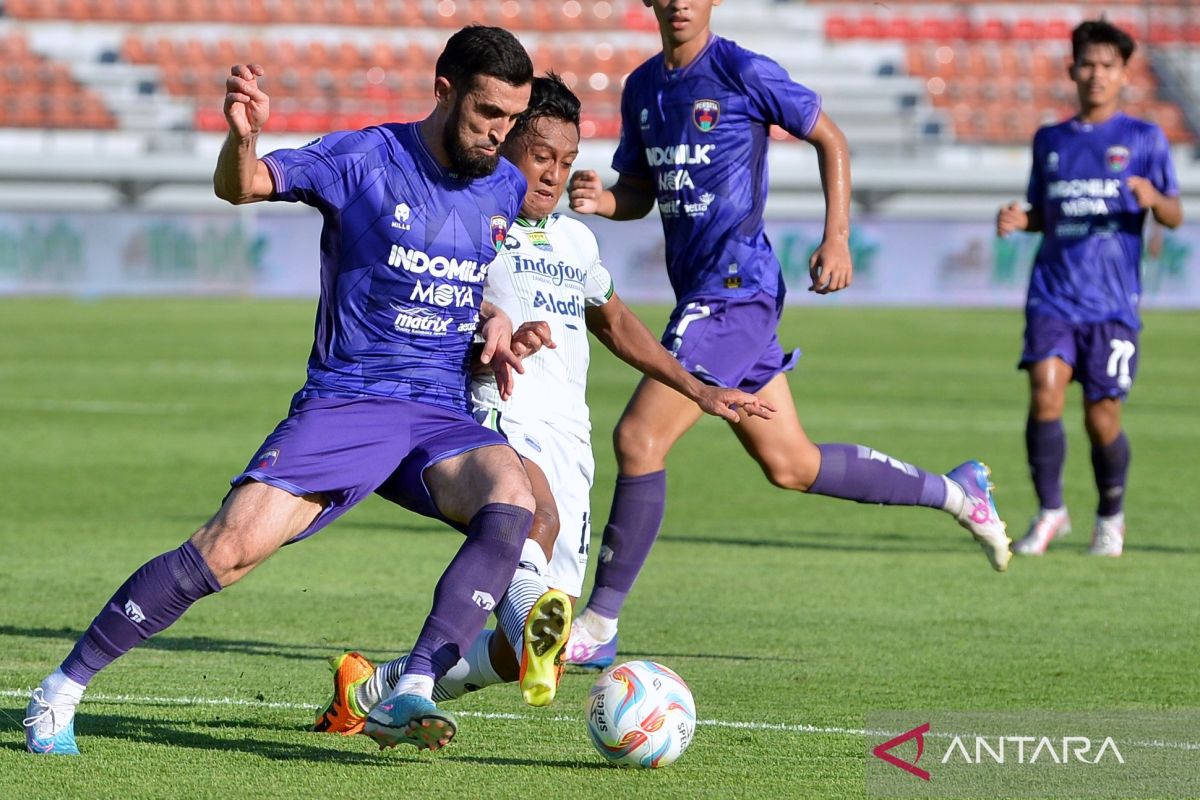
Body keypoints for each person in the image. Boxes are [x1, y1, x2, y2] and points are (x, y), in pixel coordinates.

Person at [23, 25, 548, 756]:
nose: (501, 133)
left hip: (437, 411)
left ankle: (414, 686)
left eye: (512, 119)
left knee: (513, 499)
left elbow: (463, 279)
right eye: (488, 113)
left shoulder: (504, 186)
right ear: (444, 90)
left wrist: (491, 323)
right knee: (227, 551)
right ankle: (60, 689)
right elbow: (244, 187)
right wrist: (243, 139)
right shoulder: (364, 158)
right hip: (351, 401)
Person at [311, 73, 771, 733]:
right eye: (540, 157)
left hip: (569, 435)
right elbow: (430, 300)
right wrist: (483, 335)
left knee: (525, 642)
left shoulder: (577, 241)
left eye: (566, 161)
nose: (553, 174)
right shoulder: (471, 219)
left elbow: (615, 323)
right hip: (493, 413)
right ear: (505, 151)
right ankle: (481, 641)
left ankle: (374, 688)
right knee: (533, 523)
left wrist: (697, 387)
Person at [562, 0, 1013, 669]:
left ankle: (598, 627)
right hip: (707, 296)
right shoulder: (643, 87)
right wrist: (605, 202)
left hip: (736, 291)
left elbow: (830, 136)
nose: (681, 3)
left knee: (639, 436)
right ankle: (958, 492)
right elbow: (640, 190)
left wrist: (837, 237)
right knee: (792, 465)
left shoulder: (743, 69)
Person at [998, 20, 1181, 558]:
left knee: (1102, 418)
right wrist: (1018, 217)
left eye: (1107, 66)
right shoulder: (1049, 140)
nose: (1096, 74)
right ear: (1071, 70)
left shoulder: (1145, 138)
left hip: (1113, 302)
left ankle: (1110, 516)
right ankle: (1051, 510)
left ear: (1124, 74)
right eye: (1087, 64)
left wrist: (1153, 198)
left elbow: (1173, 214)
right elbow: (1044, 216)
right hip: (1053, 294)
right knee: (1044, 392)